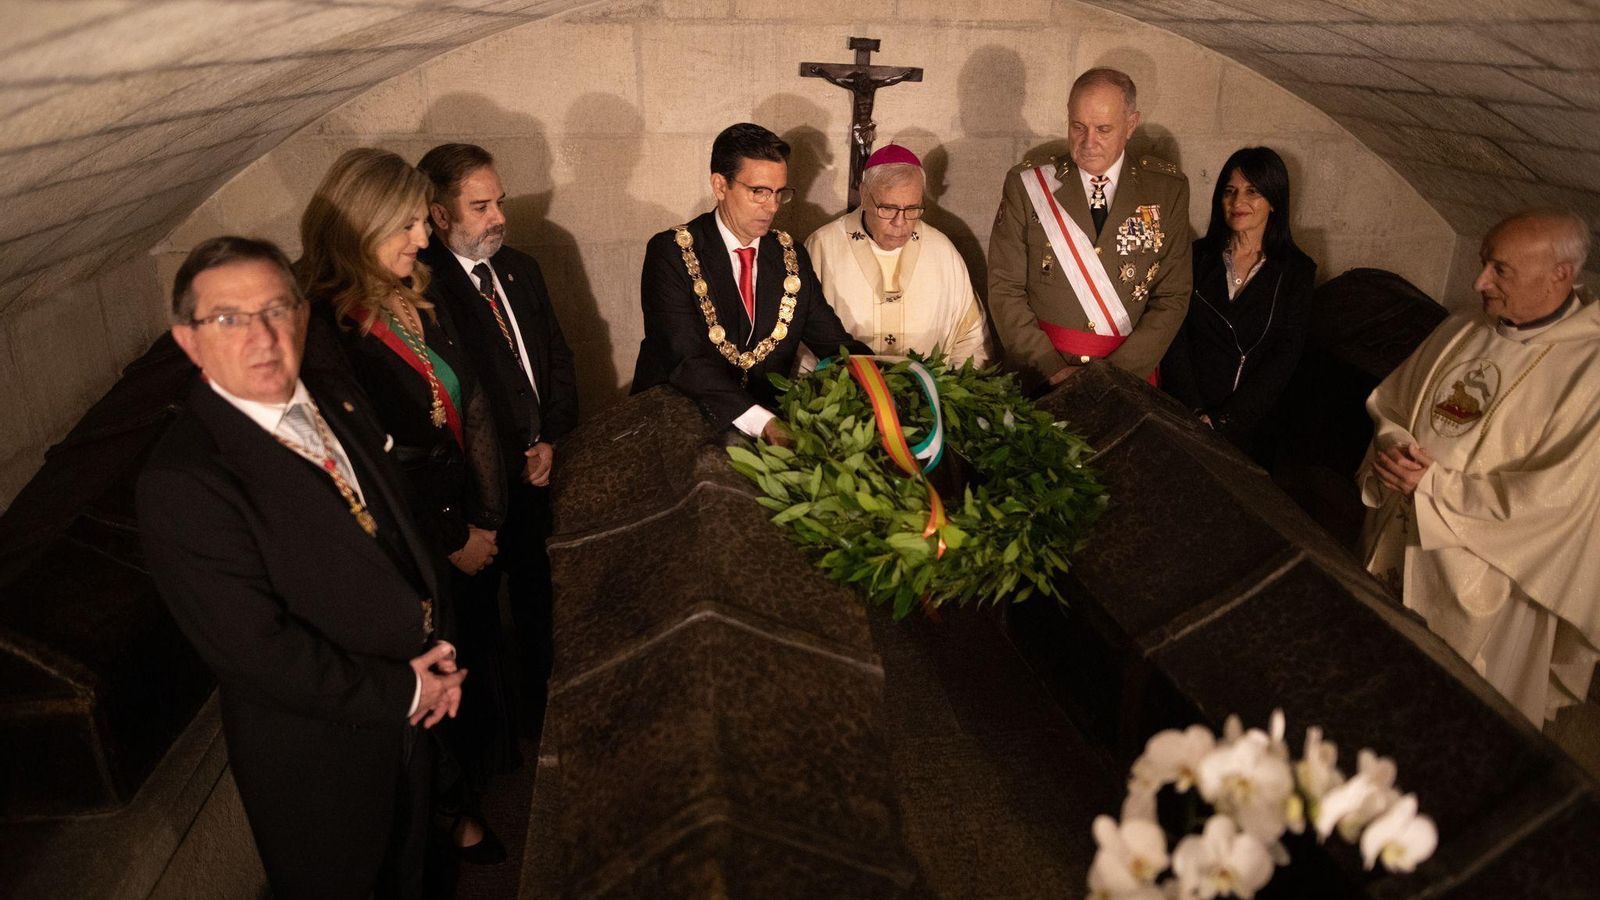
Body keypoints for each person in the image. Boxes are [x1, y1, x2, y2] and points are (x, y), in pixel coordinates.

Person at [138, 237, 464, 899]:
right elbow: (256, 651)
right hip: (324, 760)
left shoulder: (333, 398)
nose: (261, 337)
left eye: (276, 309)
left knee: (413, 876)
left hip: (413, 714)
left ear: (303, 315)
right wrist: (407, 691)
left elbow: (397, 531)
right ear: (189, 341)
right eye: (228, 319)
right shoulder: (184, 479)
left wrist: (438, 650)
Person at [296, 147, 510, 862]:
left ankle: (476, 782)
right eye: (409, 224)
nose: (423, 238)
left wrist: (486, 516)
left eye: (423, 222)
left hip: (459, 512)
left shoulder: (414, 289)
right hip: (408, 535)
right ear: (362, 223)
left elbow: (469, 400)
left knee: (471, 659)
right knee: (429, 669)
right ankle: (449, 814)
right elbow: (366, 462)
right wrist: (452, 537)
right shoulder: (325, 324)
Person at [1359, 209, 1599, 727]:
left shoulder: (1590, 371)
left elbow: (1561, 500)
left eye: (1499, 270)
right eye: (1483, 263)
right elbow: (1392, 404)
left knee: (1463, 716)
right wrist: (1395, 446)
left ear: (1559, 274)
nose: (1479, 282)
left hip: (1492, 578)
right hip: (1401, 535)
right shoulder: (1463, 327)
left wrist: (1436, 487)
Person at [415, 142, 577, 754]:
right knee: (478, 629)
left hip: (537, 477)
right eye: (480, 207)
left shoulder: (521, 269)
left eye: (499, 202)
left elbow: (556, 359)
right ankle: (494, 749)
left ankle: (546, 724)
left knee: (540, 608)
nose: (499, 218)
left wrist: (550, 438)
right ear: (439, 214)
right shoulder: (422, 290)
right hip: (473, 498)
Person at [631, 122, 869, 442]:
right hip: (679, 423)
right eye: (759, 192)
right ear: (720, 185)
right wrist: (764, 422)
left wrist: (890, 380)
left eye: (779, 193)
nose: (772, 206)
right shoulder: (671, 252)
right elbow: (684, 358)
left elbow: (833, 342)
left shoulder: (790, 255)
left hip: (765, 428)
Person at [987, 67, 1191, 392]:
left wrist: (1115, 377)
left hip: (1125, 381)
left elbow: (1172, 296)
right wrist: (1050, 368)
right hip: (1041, 376)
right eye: (1078, 127)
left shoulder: (1166, 189)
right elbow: (1004, 288)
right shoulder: (1027, 185)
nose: (1088, 142)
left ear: (1131, 125)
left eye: (1104, 129)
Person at [1160, 147, 1316, 463]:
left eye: (1252, 191)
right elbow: (1174, 334)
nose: (1237, 201)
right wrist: (1194, 411)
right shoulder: (1196, 257)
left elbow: (1284, 356)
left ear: (1274, 200)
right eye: (1229, 191)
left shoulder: (1296, 272)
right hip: (1183, 411)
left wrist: (1225, 420)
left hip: (1248, 427)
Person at [802, 143, 990, 370]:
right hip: (841, 386)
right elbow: (800, 338)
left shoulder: (942, 252)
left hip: (929, 390)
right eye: (888, 208)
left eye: (912, 209)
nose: (900, 223)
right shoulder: (823, 246)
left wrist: (947, 386)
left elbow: (970, 338)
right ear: (864, 195)